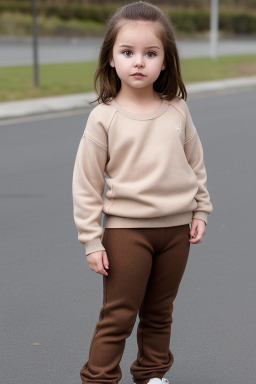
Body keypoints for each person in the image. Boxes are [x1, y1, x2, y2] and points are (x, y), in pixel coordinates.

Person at [72, 2, 213, 384]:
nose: (139, 62)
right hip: (125, 233)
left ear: (165, 62)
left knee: (160, 311)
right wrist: (91, 240)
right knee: (119, 313)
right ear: (111, 59)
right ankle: (99, 377)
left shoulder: (177, 110)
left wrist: (200, 211)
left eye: (150, 54)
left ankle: (152, 374)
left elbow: (194, 163)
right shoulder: (104, 117)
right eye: (127, 52)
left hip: (176, 232)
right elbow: (87, 183)